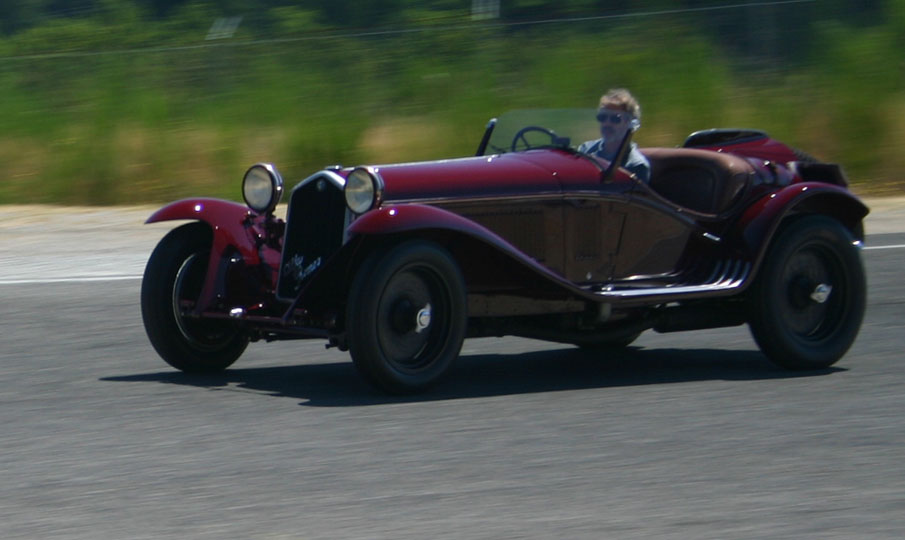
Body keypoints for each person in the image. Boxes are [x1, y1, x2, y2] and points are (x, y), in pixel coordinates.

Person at [577, 88, 651, 182]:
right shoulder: (585, 149)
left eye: (615, 118)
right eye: (602, 117)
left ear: (628, 123)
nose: (607, 123)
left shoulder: (636, 166)